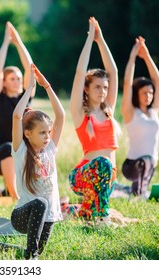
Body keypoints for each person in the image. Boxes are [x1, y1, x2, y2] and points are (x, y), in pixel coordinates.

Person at [11, 63, 65, 260]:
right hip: (22, 216)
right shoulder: (21, 151)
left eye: (49, 132)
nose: (47, 136)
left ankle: (0, 246)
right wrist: (30, 89)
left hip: (48, 216)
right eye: (42, 132)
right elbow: (17, 116)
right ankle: (30, 259)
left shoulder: (50, 150)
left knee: (36, 251)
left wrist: (47, 86)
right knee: (40, 203)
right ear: (27, 133)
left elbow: (61, 115)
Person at [68, 17, 119, 223]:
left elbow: (113, 72)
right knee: (103, 163)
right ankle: (102, 221)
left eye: (105, 87)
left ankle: (74, 210)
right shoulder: (80, 113)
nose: (103, 91)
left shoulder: (109, 111)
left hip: (108, 179)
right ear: (87, 90)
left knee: (87, 214)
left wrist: (101, 40)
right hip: (82, 176)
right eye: (97, 87)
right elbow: (80, 73)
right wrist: (90, 39)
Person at [0, 22, 35, 200]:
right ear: (3, 82)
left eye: (18, 78)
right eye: (12, 78)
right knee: (10, 148)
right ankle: (15, 198)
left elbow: (30, 69)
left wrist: (18, 43)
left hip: (22, 153)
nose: (17, 81)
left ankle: (6, 193)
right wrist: (5, 43)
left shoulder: (26, 98)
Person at [120, 36, 159, 199]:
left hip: (150, 165)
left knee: (149, 163)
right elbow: (128, 83)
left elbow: (157, 80)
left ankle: (131, 192)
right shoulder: (131, 113)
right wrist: (133, 57)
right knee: (146, 161)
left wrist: (147, 56)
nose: (149, 95)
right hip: (133, 165)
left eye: (151, 92)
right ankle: (138, 193)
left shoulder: (153, 112)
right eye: (144, 92)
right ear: (136, 94)